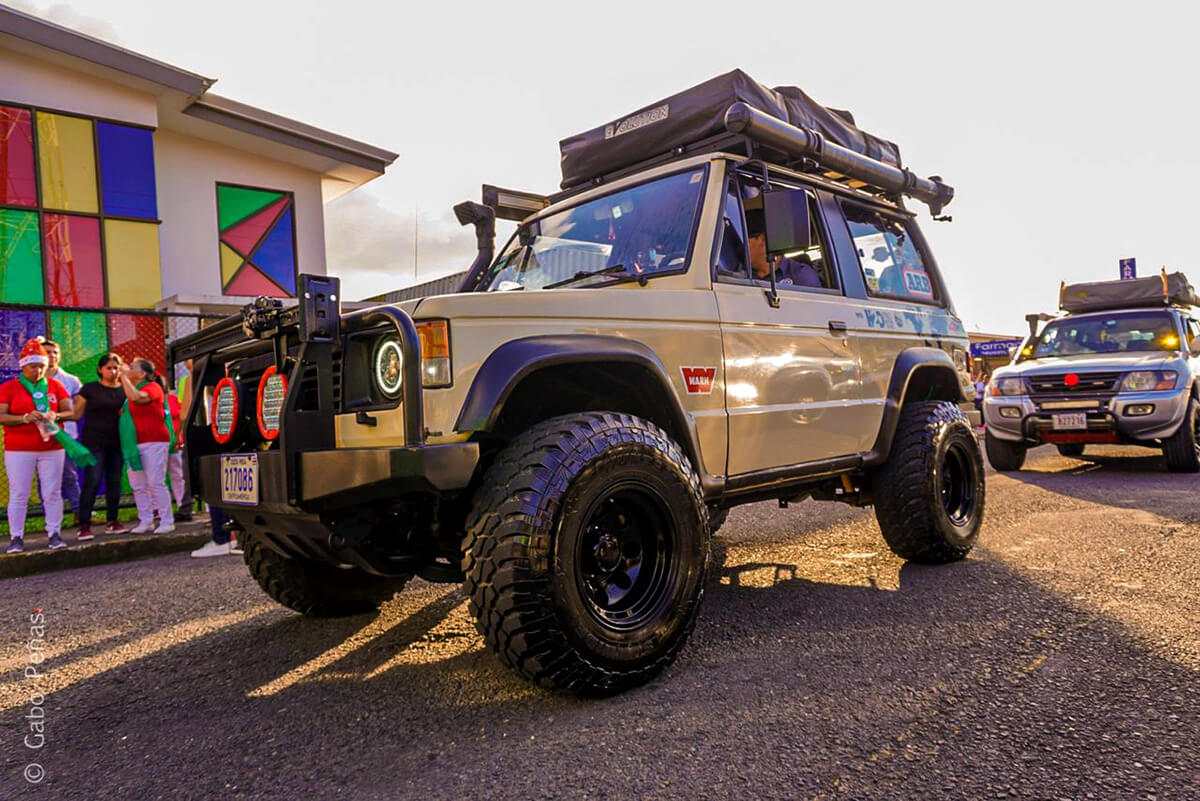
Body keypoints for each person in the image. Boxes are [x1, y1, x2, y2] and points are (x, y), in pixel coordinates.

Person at [0, 338, 92, 552]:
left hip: (52, 448)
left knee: (52, 491)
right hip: (18, 448)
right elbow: (1, 415)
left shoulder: (56, 385)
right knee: (19, 493)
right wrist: (24, 418)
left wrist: (55, 415)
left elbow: (71, 413)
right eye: (34, 366)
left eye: (42, 366)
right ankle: (16, 537)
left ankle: (55, 533)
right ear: (23, 366)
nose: (38, 371)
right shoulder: (9, 387)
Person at [74, 353, 131, 540]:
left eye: (116, 367)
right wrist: (54, 417)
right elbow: (76, 414)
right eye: (109, 368)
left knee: (115, 482)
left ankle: (113, 521)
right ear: (100, 369)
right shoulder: (89, 389)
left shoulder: (125, 390)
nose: (113, 371)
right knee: (93, 481)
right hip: (94, 443)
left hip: (117, 443)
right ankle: (84, 525)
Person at [119, 357, 175, 535]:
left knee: (155, 482)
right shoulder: (132, 389)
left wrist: (123, 377)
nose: (128, 368)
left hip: (154, 441)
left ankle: (167, 520)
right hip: (135, 444)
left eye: (132, 367)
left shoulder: (152, 387)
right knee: (138, 484)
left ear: (142, 374)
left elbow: (136, 398)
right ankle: (146, 520)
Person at [38, 340, 82, 524]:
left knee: (70, 476)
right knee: (44, 480)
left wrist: (60, 416)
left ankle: (80, 514)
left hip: (66, 437)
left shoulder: (71, 381)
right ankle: (50, 518)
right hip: (39, 438)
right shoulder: (32, 380)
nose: (52, 356)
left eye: (55, 352)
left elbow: (78, 409)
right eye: (47, 352)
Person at [748, 231, 822, 288]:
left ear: (762, 239)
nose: (739, 249)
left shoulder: (800, 275)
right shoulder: (740, 272)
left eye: (744, 241)